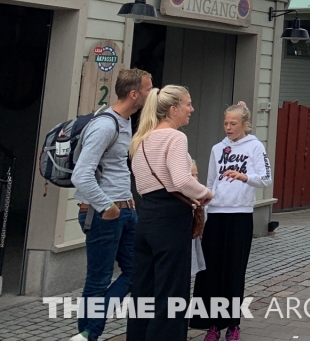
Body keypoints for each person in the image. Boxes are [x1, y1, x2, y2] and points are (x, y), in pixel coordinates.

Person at [70, 68, 153, 341]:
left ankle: (88, 331)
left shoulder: (125, 121)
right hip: (104, 213)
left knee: (136, 270)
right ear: (133, 94)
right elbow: (81, 174)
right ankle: (88, 335)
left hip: (126, 211)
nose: (150, 94)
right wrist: (108, 206)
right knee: (98, 280)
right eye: (147, 89)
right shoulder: (105, 125)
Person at [127, 85, 214, 341]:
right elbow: (180, 180)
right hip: (171, 219)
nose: (192, 109)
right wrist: (205, 193)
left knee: (143, 289)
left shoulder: (141, 140)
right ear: (173, 109)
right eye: (188, 104)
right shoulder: (176, 138)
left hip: (146, 217)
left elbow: (142, 185)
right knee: (171, 292)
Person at [191, 102, 272, 341]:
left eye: (233, 123)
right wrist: (202, 211)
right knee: (211, 272)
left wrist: (244, 176)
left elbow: (266, 178)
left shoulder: (255, 146)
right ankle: (212, 325)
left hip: (240, 215)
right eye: (226, 123)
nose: (228, 127)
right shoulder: (218, 148)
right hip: (216, 214)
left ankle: (232, 324)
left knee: (234, 271)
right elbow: (210, 181)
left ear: (245, 125)